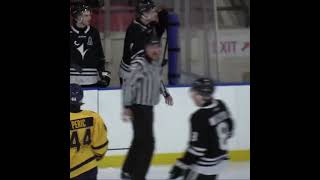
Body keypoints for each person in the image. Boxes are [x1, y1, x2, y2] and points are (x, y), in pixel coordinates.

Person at [121, 34, 174, 180]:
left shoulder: (155, 62)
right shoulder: (139, 63)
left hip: (148, 108)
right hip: (139, 108)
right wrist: (127, 106)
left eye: (158, 46)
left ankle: (127, 170)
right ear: (146, 48)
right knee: (148, 144)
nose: (156, 50)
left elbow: (157, 79)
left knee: (139, 140)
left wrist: (165, 94)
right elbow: (128, 84)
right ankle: (138, 176)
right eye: (152, 47)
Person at [169, 78, 234, 180]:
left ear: (201, 96)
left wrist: (180, 165)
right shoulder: (221, 105)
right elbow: (230, 129)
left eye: (194, 93)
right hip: (220, 161)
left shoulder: (199, 116)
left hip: (204, 166)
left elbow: (198, 149)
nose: (192, 97)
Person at [119, 0, 169, 86]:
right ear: (145, 14)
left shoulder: (149, 25)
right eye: (153, 11)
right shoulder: (134, 30)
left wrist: (163, 12)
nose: (156, 13)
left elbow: (161, 26)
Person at [70, 84, 108, 180]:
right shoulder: (93, 117)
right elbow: (100, 143)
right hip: (88, 167)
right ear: (81, 98)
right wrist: (98, 155)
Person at [70, 4, 111, 87]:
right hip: (72, 80)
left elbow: (99, 55)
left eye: (90, 15)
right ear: (77, 17)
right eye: (86, 15)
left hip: (91, 80)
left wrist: (102, 74)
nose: (89, 18)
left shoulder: (94, 32)